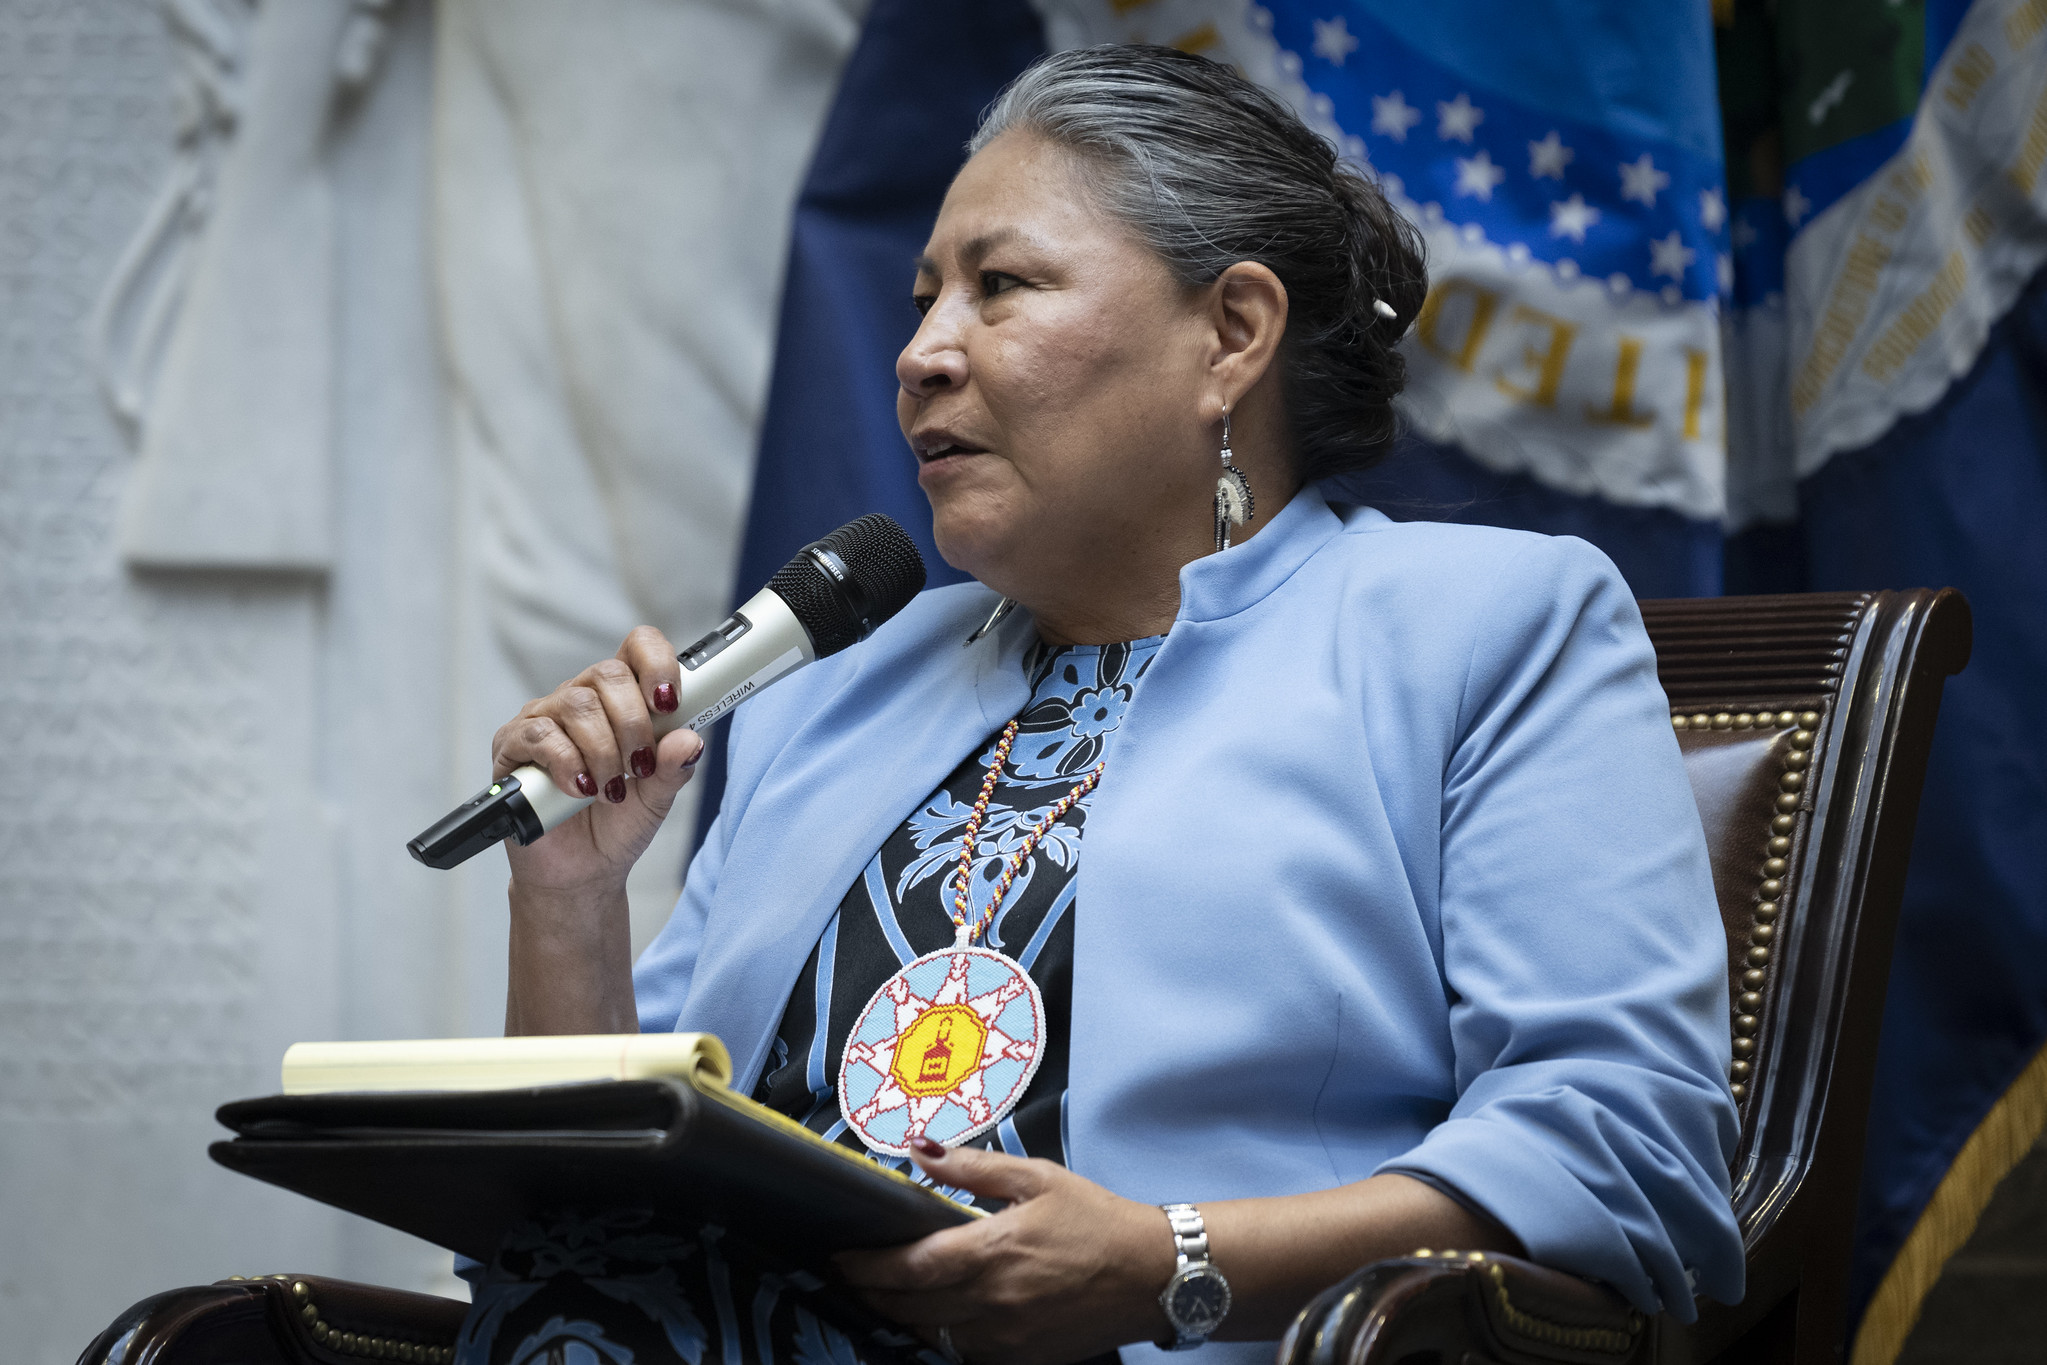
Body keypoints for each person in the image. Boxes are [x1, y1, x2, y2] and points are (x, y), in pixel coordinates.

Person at [463, 44, 1743, 1365]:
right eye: (920, 300)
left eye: (997, 288)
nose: (917, 355)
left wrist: (1172, 1264)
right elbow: (589, 1202)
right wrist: (568, 898)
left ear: (1232, 334)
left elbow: (1621, 1144)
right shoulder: (829, 691)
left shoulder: (1482, 628)